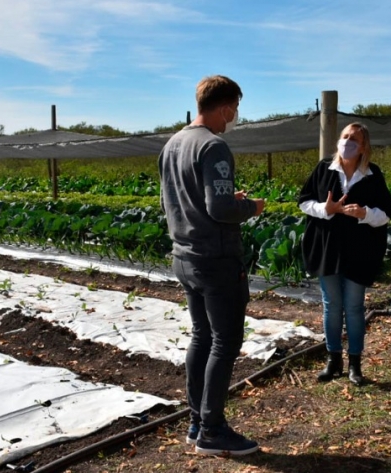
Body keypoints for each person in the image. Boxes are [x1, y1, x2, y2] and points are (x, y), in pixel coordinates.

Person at [158, 75, 264, 456]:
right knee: (225, 340)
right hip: (216, 261)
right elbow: (220, 209)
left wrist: (223, 200)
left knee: (202, 336)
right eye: (234, 110)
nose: (234, 118)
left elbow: (180, 200)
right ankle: (213, 430)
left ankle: (196, 421)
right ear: (225, 107)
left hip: (184, 256)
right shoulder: (214, 146)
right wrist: (251, 207)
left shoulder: (173, 144)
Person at [299, 122, 391, 386]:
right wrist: (326, 208)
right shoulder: (323, 169)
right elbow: (304, 202)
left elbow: (386, 213)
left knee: (353, 307)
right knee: (332, 306)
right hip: (327, 248)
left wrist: (364, 214)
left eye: (354, 139)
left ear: (364, 147)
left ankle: (355, 364)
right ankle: (333, 360)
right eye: (344, 137)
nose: (348, 142)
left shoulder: (372, 174)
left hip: (359, 251)